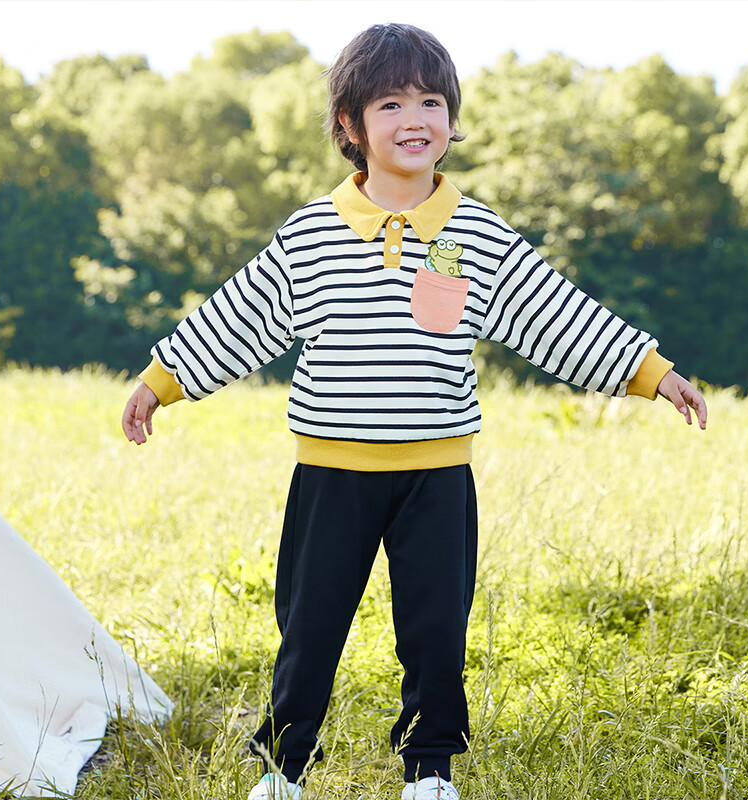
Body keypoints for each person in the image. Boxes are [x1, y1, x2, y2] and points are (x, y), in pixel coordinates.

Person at [122, 23, 707, 800]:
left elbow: (554, 314)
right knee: (308, 632)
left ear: (452, 122)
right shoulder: (309, 234)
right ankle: (281, 769)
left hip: (437, 475)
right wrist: (161, 382)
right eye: (390, 103)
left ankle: (429, 771)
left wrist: (651, 372)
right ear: (350, 127)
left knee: (435, 635)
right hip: (332, 472)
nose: (415, 119)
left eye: (431, 100)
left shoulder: (475, 233)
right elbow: (239, 318)